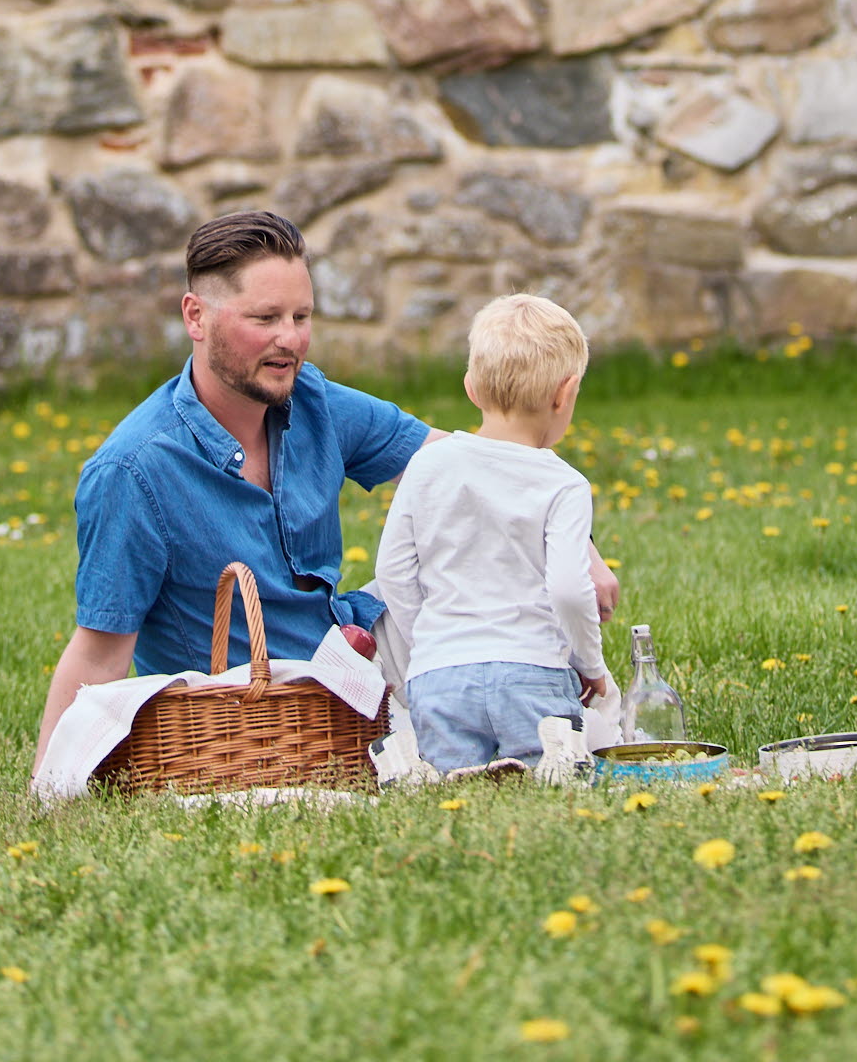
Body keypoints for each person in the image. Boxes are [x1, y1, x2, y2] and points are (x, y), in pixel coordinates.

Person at [35, 213, 616, 772]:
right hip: (248, 705)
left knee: (508, 586)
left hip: (349, 654)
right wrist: (49, 790)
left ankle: (563, 721)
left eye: (301, 316)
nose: (289, 339)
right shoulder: (133, 469)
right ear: (196, 316)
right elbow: (99, 653)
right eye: (264, 318)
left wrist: (579, 549)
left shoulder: (309, 397)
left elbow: (471, 457)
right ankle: (525, 734)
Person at [373, 294, 609, 776]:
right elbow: (568, 588)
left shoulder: (426, 465)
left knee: (455, 797)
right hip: (532, 675)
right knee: (551, 790)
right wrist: (591, 663)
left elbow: (392, 571)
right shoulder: (564, 484)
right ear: (564, 394)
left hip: (438, 677)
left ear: (470, 388)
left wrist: (435, 641)